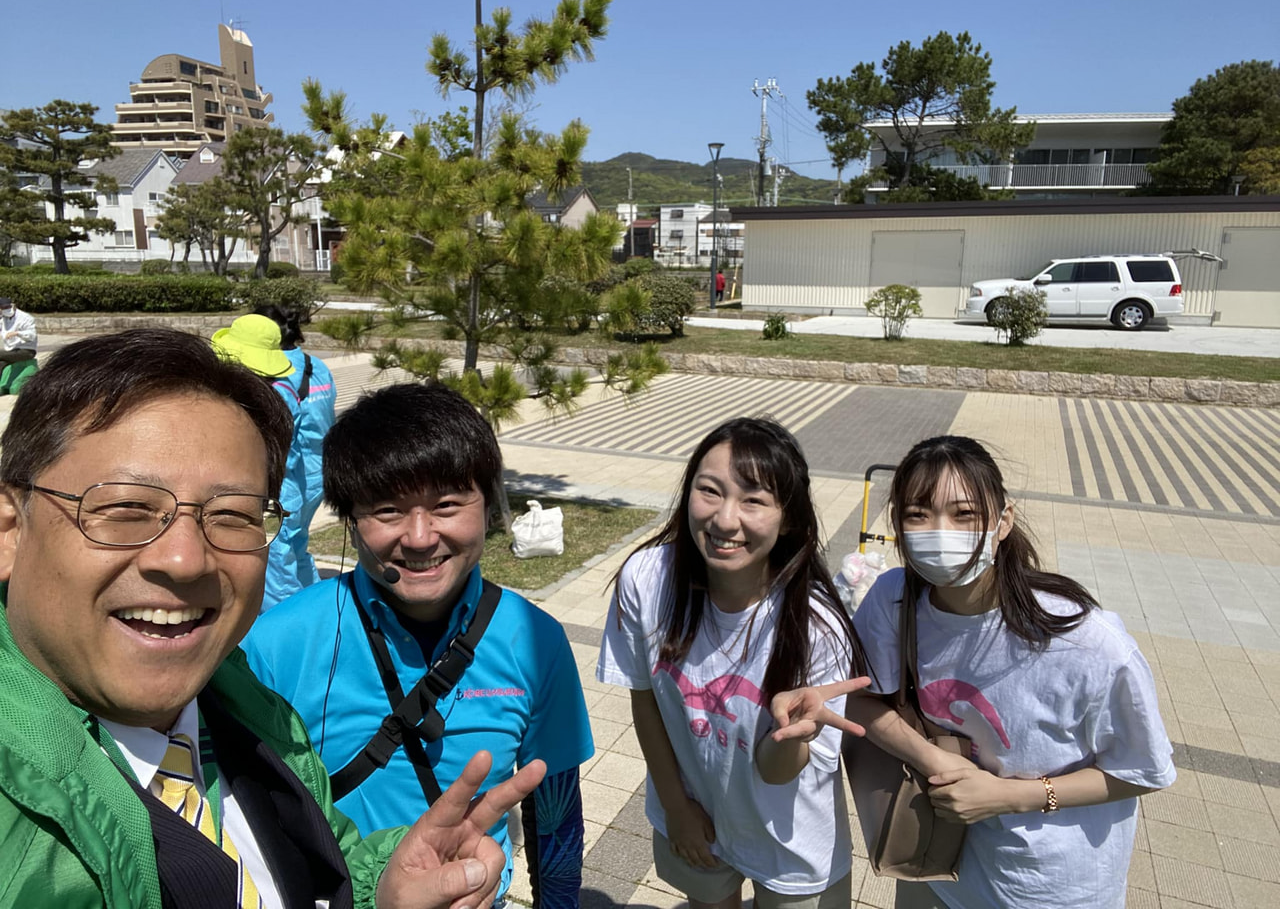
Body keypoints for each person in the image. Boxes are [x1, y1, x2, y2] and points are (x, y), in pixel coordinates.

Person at [0, 327, 545, 909]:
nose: (185, 560)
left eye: (233, 515)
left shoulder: (245, 705)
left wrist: (381, 890)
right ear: (9, 529)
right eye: (126, 508)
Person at [242, 381, 594, 909]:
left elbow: (555, 814)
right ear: (349, 520)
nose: (421, 536)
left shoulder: (535, 640)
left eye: (448, 504)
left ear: (489, 507)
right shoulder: (276, 643)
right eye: (387, 510)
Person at [848, 435, 1175, 909]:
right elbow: (859, 696)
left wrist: (1007, 796)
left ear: (1004, 521)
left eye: (964, 514)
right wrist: (932, 758)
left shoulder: (1086, 641)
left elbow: (1143, 771)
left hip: (1048, 888)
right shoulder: (893, 598)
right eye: (918, 513)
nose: (941, 531)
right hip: (935, 864)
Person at [597, 417, 869, 909]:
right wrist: (676, 808)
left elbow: (779, 772)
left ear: (788, 517)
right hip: (693, 814)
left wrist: (793, 732)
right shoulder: (646, 578)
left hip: (789, 838)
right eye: (710, 490)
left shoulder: (817, 626)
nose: (725, 519)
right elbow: (645, 700)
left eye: (754, 500)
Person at [210, 312, 313, 608]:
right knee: (293, 557)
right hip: (281, 489)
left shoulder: (258, 403)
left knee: (277, 573)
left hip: (266, 495)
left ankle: (284, 634)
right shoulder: (281, 391)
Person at [252, 303, 337, 606]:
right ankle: (316, 605)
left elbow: (282, 443)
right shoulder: (317, 367)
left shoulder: (273, 379)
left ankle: (287, 625)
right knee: (297, 546)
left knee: (277, 560)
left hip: (290, 483)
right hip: (318, 475)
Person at [0, 295, 37, 393]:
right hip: (12, 351)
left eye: (8, 307)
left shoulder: (25, 318)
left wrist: (18, 333)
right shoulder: (3, 319)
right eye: (3, 308)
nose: (6, 309)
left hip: (26, 351)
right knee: (1, 364)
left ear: (12, 305)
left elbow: (31, 335)